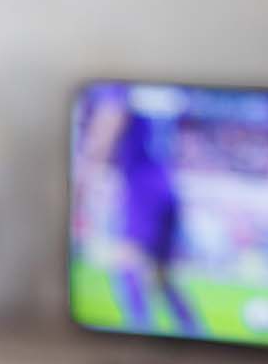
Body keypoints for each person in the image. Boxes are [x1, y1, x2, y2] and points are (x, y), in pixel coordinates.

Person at [83, 89, 200, 336]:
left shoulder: (121, 90)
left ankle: (138, 333)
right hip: (168, 182)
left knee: (127, 260)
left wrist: (88, 169)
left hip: (141, 185)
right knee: (163, 276)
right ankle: (195, 333)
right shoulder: (157, 93)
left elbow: (108, 124)